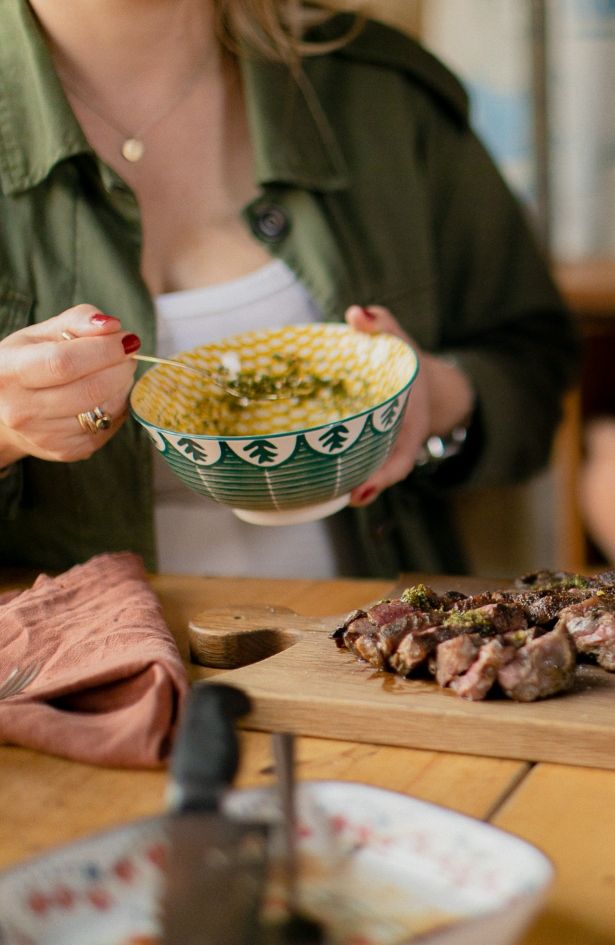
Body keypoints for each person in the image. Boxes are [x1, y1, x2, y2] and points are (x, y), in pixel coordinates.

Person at [0, 0, 579, 578]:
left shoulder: (379, 91)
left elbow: (535, 368)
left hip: (371, 653)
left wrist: (441, 396)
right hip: (82, 665)